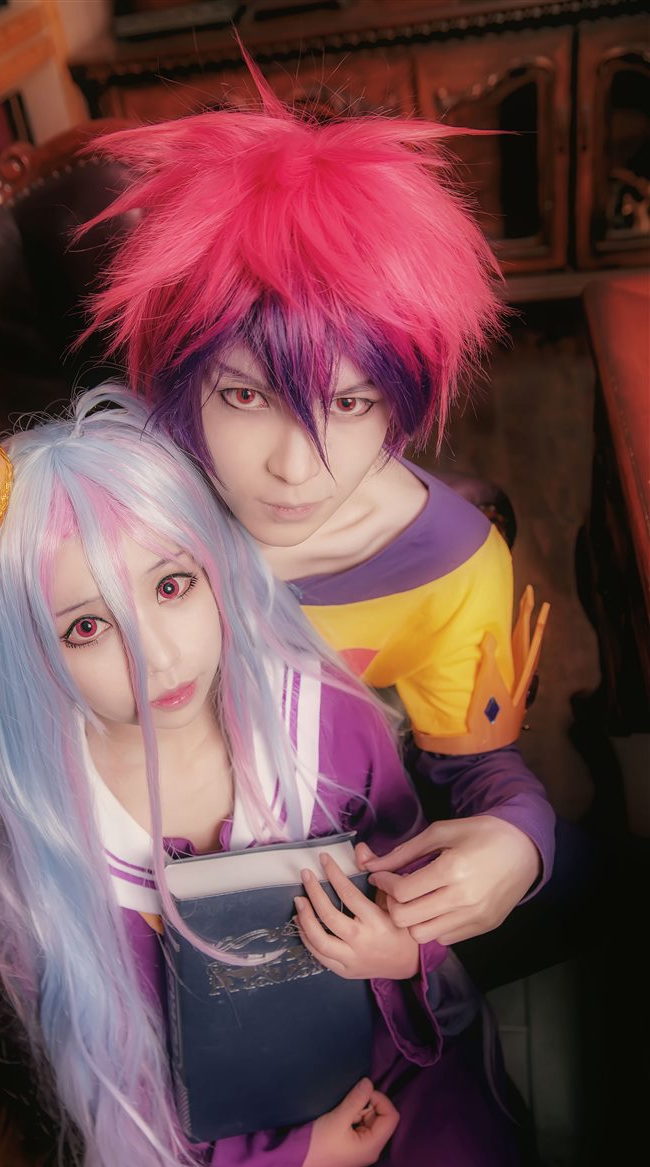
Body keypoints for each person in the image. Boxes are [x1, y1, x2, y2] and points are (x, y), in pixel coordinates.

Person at [0, 386, 520, 1167]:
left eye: (172, 586)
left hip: (396, 1058)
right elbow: (121, 1093)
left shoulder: (324, 722)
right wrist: (295, 1159)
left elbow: (420, 906)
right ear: (30, 653)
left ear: (216, 567)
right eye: (88, 627)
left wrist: (401, 953)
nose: (157, 657)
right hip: (218, 1147)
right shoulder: (48, 833)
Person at [81, 70, 560, 962]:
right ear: (180, 378)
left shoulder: (452, 564)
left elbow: (476, 767)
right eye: (245, 395)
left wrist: (521, 839)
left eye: (350, 403)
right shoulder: (117, 495)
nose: (295, 470)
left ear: (406, 397)